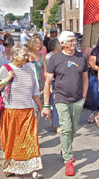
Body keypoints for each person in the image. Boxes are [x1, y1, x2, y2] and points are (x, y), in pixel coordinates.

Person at [0, 44, 43, 178]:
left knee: (30, 140)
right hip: (11, 111)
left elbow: (35, 92)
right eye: (24, 55)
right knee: (12, 141)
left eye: (27, 54)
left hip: (28, 110)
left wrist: (42, 108)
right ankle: (11, 166)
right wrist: (6, 80)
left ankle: (33, 168)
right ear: (14, 55)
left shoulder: (30, 68)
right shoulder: (5, 69)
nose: (27, 57)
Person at [42, 31, 88, 176]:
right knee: (66, 128)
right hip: (60, 99)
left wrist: (84, 97)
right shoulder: (55, 59)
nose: (73, 42)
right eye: (70, 40)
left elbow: (85, 78)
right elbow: (48, 82)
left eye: (74, 40)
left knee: (73, 128)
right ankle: (68, 160)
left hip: (77, 99)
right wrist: (46, 105)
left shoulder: (81, 57)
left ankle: (65, 146)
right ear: (62, 43)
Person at [28, 35, 47, 124]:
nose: (38, 45)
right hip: (30, 86)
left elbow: (45, 72)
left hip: (40, 85)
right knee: (32, 108)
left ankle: (35, 129)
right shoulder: (28, 55)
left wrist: (48, 84)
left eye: (40, 43)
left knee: (39, 108)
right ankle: (31, 130)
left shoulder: (42, 56)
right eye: (36, 43)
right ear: (32, 44)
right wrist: (30, 60)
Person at [45, 38, 61, 134]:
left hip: (59, 82)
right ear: (55, 46)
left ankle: (55, 123)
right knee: (54, 104)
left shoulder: (59, 56)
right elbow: (47, 73)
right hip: (52, 83)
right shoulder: (48, 58)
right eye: (59, 44)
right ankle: (56, 125)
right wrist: (49, 86)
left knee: (57, 104)